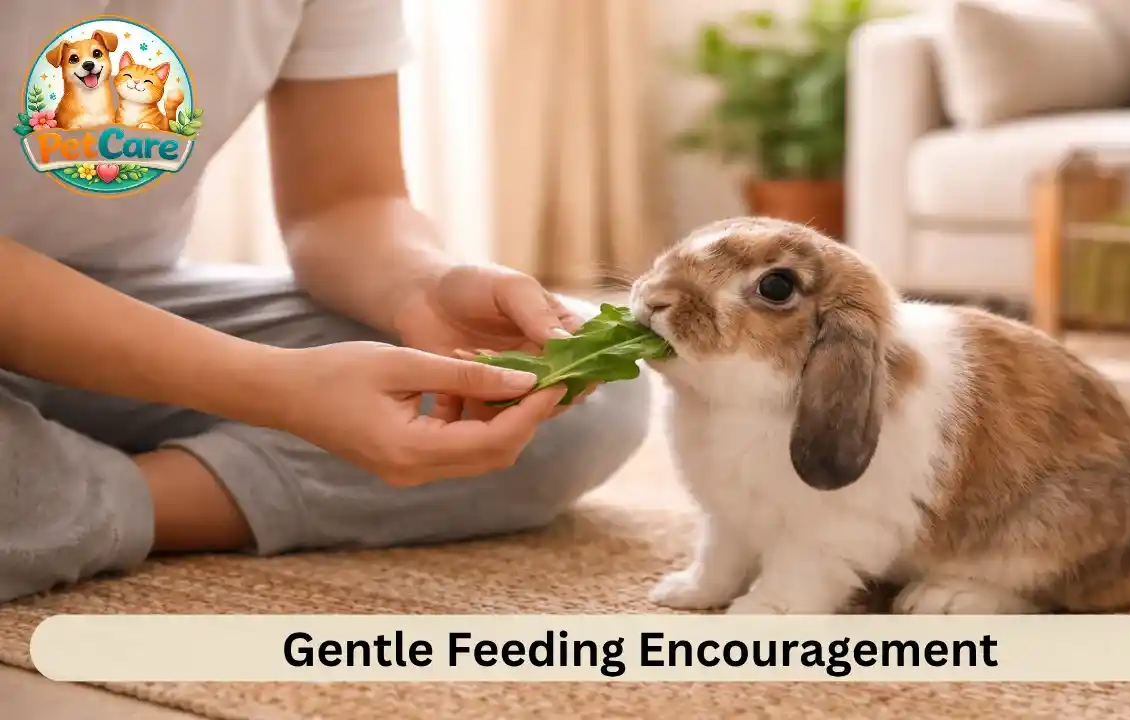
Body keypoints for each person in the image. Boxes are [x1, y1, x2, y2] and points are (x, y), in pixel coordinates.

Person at [0, 1, 651, 604]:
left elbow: (346, 200)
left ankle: (76, 490)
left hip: (127, 299)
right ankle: (57, 491)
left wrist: (421, 287)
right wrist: (271, 390)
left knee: (582, 395)